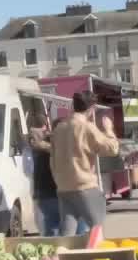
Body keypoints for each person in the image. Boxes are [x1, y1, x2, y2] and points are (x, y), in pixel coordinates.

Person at [49, 90, 120, 236]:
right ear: (91, 108)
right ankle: (97, 257)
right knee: (97, 230)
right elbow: (112, 149)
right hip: (84, 186)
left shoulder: (59, 127)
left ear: (73, 106)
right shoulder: (86, 126)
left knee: (67, 234)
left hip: (63, 187)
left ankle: (63, 257)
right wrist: (108, 130)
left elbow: (52, 158)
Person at [27, 114, 59, 235]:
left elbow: (28, 170)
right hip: (57, 190)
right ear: (46, 126)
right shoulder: (57, 143)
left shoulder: (33, 146)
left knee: (48, 230)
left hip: (43, 192)